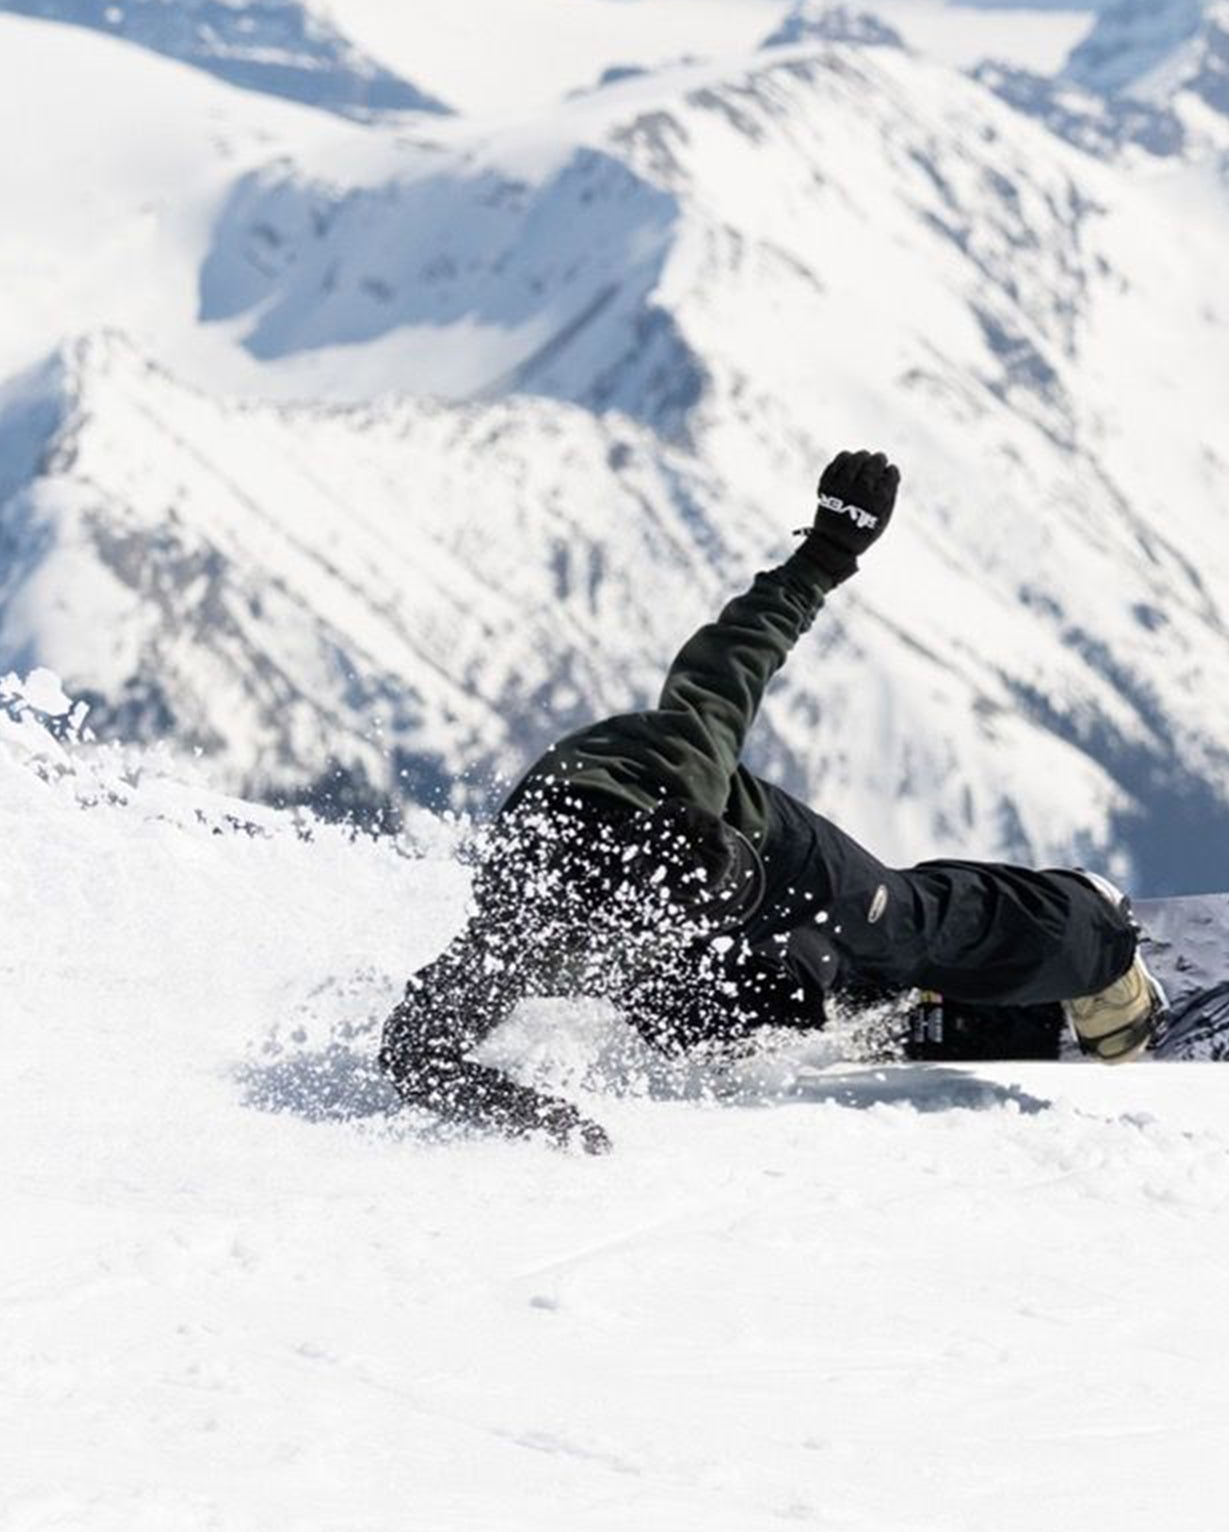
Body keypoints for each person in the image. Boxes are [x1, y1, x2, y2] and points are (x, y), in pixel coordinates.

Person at [379, 450, 1163, 1150]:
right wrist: (532, 1113)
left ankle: (1093, 939)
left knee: (899, 921)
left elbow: (731, 659)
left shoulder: (681, 765)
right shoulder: (531, 920)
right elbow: (411, 1051)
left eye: (715, 899)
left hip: (779, 851)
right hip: (666, 905)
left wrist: (827, 551)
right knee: (690, 1026)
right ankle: (848, 988)